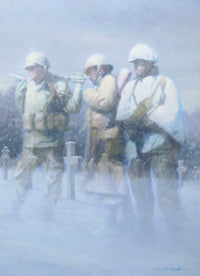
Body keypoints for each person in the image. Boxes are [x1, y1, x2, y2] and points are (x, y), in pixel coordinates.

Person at [116, 44, 185, 241]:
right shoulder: (130, 86)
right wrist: (130, 123)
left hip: (160, 145)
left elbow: (172, 112)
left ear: (149, 62)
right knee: (141, 191)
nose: (135, 66)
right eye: (134, 63)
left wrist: (147, 120)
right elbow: (122, 113)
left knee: (166, 192)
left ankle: (177, 235)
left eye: (139, 62)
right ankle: (145, 233)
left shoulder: (165, 83)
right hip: (136, 147)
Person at [13, 52, 83, 220]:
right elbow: (23, 109)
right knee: (19, 175)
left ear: (43, 68)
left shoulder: (57, 85)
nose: (29, 71)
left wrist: (79, 88)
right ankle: (16, 208)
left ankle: (48, 214)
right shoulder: (26, 86)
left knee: (53, 180)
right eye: (28, 68)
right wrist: (18, 92)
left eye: (32, 67)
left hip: (52, 143)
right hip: (31, 144)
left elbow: (73, 107)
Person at [80, 54, 131, 227]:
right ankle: (116, 221)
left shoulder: (108, 81)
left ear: (100, 69)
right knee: (109, 183)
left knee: (111, 183)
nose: (88, 76)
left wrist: (87, 94)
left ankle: (116, 224)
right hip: (105, 138)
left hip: (107, 139)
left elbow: (106, 102)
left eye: (90, 71)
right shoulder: (106, 82)